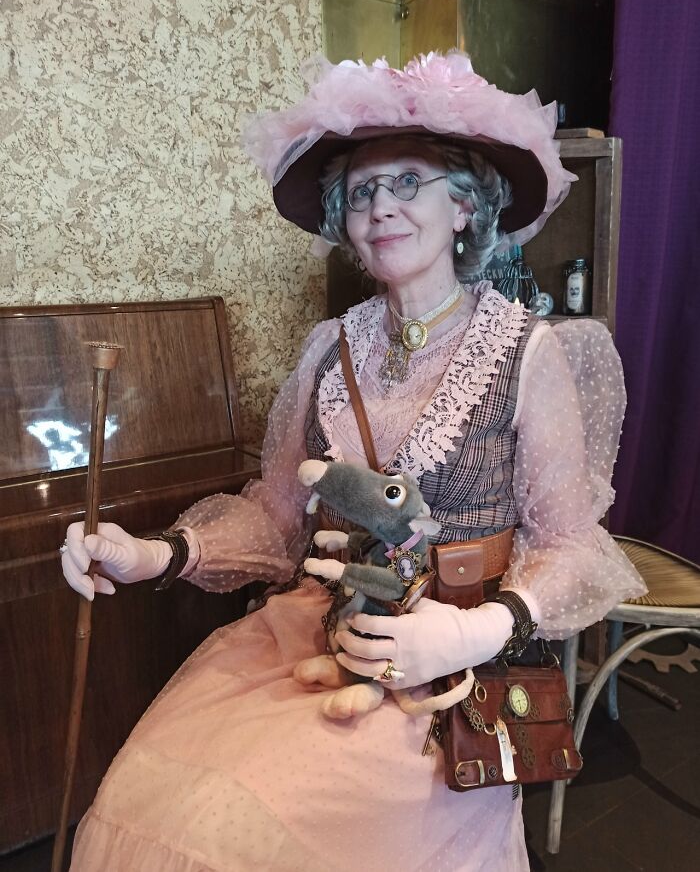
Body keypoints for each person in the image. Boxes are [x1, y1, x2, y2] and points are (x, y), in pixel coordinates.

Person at [61, 51, 646, 871]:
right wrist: (157, 553)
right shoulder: (328, 350)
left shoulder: (529, 352)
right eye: (363, 190)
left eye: (409, 181)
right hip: (311, 629)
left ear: (467, 208)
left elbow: (572, 547)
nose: (381, 206)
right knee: (152, 803)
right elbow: (275, 518)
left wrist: (474, 629)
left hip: (447, 669)